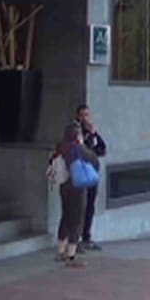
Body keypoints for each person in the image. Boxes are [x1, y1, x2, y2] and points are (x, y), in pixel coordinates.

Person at [53, 121, 100, 267]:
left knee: (65, 217)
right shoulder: (77, 149)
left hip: (64, 187)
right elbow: (94, 160)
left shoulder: (61, 147)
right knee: (77, 220)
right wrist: (83, 145)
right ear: (77, 135)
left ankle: (60, 251)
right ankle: (71, 255)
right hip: (77, 188)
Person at [75, 103, 108, 251]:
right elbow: (81, 150)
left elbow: (102, 149)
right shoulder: (76, 132)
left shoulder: (92, 132)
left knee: (90, 205)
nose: (85, 118)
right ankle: (74, 239)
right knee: (79, 206)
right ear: (78, 116)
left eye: (87, 115)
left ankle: (86, 236)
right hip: (80, 173)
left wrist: (94, 134)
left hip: (92, 173)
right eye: (82, 115)